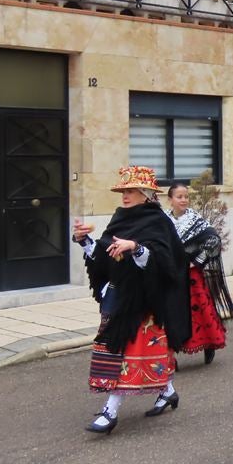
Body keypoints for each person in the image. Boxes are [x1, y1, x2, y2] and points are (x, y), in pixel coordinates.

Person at [72, 166, 191, 434]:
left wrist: (137, 248)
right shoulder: (120, 217)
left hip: (145, 301)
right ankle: (168, 390)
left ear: (146, 194)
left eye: (131, 191)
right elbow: (106, 254)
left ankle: (110, 410)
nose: (125, 196)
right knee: (128, 351)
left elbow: (168, 262)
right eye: (123, 191)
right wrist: (86, 242)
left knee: (127, 353)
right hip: (120, 295)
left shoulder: (158, 221)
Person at [166, 184, 233, 363]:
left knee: (200, 311)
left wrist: (196, 261)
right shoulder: (163, 220)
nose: (183, 200)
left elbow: (213, 239)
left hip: (191, 277)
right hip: (171, 275)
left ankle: (209, 344)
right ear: (170, 199)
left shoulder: (195, 220)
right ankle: (172, 350)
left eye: (186, 196)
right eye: (179, 196)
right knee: (171, 312)